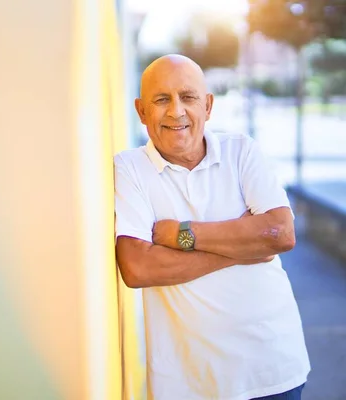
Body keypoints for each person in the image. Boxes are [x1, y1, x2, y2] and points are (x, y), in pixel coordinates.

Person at [114, 54, 310, 400]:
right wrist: (244, 248)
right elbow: (138, 267)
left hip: (272, 370)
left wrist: (179, 235)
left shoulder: (242, 152)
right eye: (161, 99)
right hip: (187, 384)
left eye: (188, 97)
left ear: (207, 105)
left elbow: (280, 233)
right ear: (141, 111)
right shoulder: (130, 169)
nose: (176, 111)